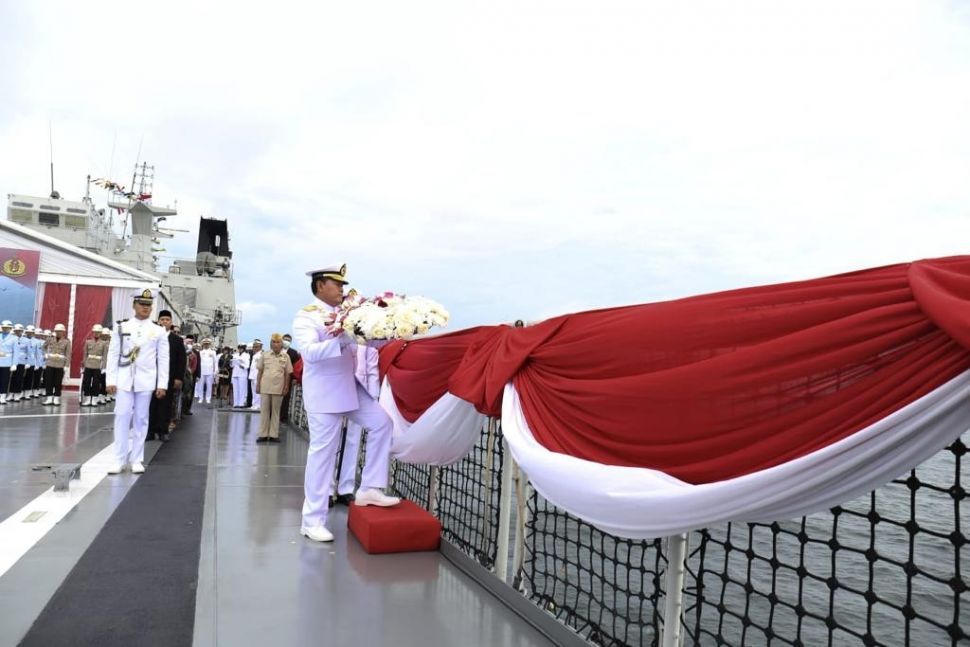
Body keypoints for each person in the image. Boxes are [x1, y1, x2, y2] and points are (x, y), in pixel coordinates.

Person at [292, 263, 399, 543]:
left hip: (350, 389)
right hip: (325, 395)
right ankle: (311, 520)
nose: (341, 288)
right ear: (320, 286)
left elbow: (362, 344)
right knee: (322, 456)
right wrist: (343, 339)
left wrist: (389, 335)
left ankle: (370, 489)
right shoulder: (307, 317)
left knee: (382, 424)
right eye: (336, 283)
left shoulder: (346, 315)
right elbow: (311, 354)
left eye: (342, 284)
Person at [105, 287, 170, 475]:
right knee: (122, 416)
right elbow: (113, 354)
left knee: (141, 419)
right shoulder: (122, 328)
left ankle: (137, 459)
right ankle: (119, 459)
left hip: (146, 380)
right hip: (124, 379)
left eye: (149, 305)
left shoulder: (158, 331)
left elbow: (163, 359)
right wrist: (111, 379)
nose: (146, 308)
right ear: (134, 305)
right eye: (142, 304)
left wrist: (161, 384)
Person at [334, 344, 380, 505]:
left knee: (353, 442)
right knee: (331, 443)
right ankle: (325, 490)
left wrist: (373, 397)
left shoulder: (367, 340)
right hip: (335, 390)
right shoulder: (339, 333)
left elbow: (372, 369)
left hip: (359, 394)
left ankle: (345, 489)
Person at [147, 310, 185, 441]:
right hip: (152, 376)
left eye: (167, 320)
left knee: (166, 405)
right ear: (158, 321)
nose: (164, 322)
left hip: (169, 377)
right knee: (151, 405)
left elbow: (181, 360)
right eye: (162, 319)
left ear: (171, 322)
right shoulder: (151, 337)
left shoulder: (177, 340)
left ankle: (163, 431)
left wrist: (179, 377)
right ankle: (150, 431)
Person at [255, 333, 293, 443]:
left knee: (276, 412)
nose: (276, 344)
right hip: (265, 387)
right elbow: (260, 371)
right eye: (274, 342)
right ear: (271, 344)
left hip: (278, 388)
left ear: (281, 344)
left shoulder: (286, 357)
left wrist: (286, 386)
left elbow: (288, 374)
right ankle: (263, 434)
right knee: (264, 411)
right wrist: (258, 384)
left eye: (278, 342)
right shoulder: (265, 355)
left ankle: (273, 434)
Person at [42, 323, 71, 405]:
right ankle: (49, 398)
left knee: (58, 382)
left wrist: (66, 365)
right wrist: (45, 354)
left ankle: (56, 398)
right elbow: (43, 347)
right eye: (57, 331)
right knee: (48, 381)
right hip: (50, 362)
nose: (58, 333)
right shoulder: (50, 339)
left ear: (63, 332)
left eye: (60, 331)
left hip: (60, 364)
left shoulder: (67, 341)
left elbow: (68, 354)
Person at [81, 324, 106, 406]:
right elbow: (85, 354)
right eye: (95, 332)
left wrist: (104, 367)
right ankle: (87, 398)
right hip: (88, 364)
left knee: (96, 382)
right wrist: (84, 364)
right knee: (87, 382)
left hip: (98, 365)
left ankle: (94, 399)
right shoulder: (88, 342)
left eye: (98, 332)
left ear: (100, 333)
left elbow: (105, 355)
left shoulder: (104, 343)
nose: (96, 333)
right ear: (93, 332)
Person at [280, 333, 300, 423]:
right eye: (285, 339)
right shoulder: (278, 350)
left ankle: (283, 417)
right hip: (277, 377)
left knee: (286, 398)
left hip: (289, 378)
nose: (286, 341)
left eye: (288, 340)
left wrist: (295, 378)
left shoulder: (293, 352)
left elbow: (296, 366)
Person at [9, 323, 30, 402]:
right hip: (11, 361)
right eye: (16, 331)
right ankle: (10, 394)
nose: (18, 332)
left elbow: (29, 352)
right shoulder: (11, 339)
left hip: (21, 361)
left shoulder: (26, 340)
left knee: (19, 378)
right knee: (11, 378)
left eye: (19, 331)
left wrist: (28, 362)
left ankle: (17, 395)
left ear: (22, 331)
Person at [0, 320, 14, 405]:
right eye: (4, 327)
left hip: (7, 361)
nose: (5, 329)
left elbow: (16, 352)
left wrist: (14, 363)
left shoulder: (14, 338)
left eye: (7, 328)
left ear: (10, 328)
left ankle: (3, 396)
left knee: (5, 380)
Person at [248, 339, 263, 410]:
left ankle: (257, 405)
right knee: (253, 391)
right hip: (253, 375)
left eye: (256, 347)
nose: (254, 348)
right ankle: (254, 404)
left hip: (257, 375)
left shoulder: (261, 355)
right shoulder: (255, 355)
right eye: (254, 347)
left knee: (257, 391)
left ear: (260, 347)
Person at [99, 328, 113, 403]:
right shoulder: (99, 342)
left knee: (104, 381)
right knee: (98, 381)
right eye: (103, 335)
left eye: (106, 335)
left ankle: (105, 395)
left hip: (107, 364)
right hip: (97, 363)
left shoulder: (110, 344)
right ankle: (98, 395)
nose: (104, 336)